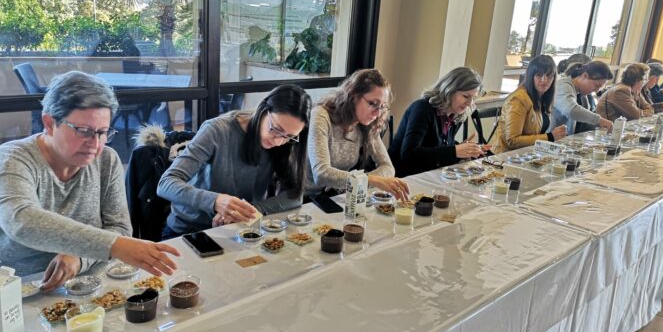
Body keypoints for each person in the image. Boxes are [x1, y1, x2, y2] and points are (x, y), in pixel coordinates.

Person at [0, 71, 179, 291]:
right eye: (83, 131)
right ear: (49, 123)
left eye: (102, 132)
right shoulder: (10, 160)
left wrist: (80, 257)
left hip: (75, 289)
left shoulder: (106, 160)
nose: (94, 143)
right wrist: (116, 245)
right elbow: (22, 221)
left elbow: (119, 227)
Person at [158, 84, 312, 237]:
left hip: (240, 229)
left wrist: (245, 211)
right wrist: (216, 201)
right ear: (263, 111)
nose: (279, 141)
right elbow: (166, 184)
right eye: (276, 129)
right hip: (190, 229)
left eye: (289, 136)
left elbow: (294, 196)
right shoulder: (217, 130)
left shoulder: (286, 142)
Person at [307, 69, 410, 200]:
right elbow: (321, 174)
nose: (378, 113)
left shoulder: (367, 124)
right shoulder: (321, 115)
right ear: (353, 96)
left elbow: (388, 168)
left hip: (335, 198)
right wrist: (367, 179)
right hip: (303, 198)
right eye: (373, 104)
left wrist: (355, 181)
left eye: (383, 106)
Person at [388, 67, 485, 177]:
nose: (469, 103)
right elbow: (409, 154)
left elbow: (438, 150)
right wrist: (454, 151)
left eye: (473, 98)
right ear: (449, 90)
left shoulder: (455, 113)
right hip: (403, 178)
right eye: (466, 96)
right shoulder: (422, 108)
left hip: (429, 175)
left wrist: (463, 151)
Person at [491, 55, 567, 154]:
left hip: (525, 155)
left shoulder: (542, 97)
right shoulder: (518, 99)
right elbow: (512, 141)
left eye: (549, 75)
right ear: (531, 76)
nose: (544, 80)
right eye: (539, 75)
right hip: (503, 157)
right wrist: (550, 137)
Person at [550, 60, 614, 135]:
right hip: (550, 140)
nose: (596, 91)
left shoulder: (581, 93)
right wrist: (599, 120)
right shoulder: (563, 86)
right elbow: (571, 110)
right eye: (596, 86)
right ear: (585, 76)